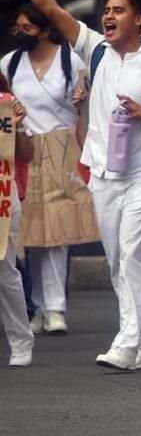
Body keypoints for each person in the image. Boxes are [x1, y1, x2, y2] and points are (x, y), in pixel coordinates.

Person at [1, 0, 141, 372]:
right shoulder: (94, 49)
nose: (109, 16)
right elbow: (49, 6)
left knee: (134, 250)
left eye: (120, 10)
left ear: (139, 19)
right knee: (120, 259)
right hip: (103, 172)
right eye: (108, 10)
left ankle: (127, 340)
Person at [1, 5, 89, 336]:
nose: (21, 32)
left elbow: (87, 102)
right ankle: (38, 304)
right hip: (23, 149)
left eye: (27, 27)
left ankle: (55, 306)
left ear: (43, 28)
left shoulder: (72, 61)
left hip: (62, 148)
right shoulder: (10, 63)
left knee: (58, 230)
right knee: (32, 233)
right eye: (18, 26)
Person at [0, 93, 35, 367]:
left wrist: (19, 125)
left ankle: (21, 340)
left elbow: (26, 154)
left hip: (3, 194)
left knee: (4, 267)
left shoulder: (5, 103)